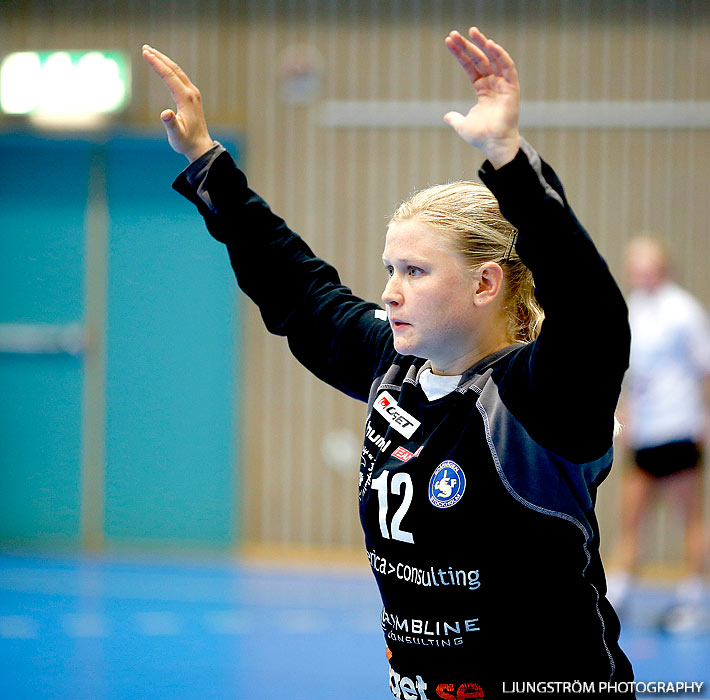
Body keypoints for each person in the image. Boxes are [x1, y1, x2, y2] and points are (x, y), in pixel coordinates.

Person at [143, 26, 635, 698]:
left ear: (485, 284)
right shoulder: (394, 369)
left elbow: (592, 313)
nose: (391, 290)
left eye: (415, 270)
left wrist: (508, 161)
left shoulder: (541, 400)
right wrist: (206, 162)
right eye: (390, 269)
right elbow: (300, 291)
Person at [607, 236, 709, 625]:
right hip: (646, 433)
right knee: (631, 513)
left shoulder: (683, 311)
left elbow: (705, 371)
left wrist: (704, 422)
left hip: (679, 428)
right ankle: (621, 588)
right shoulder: (633, 311)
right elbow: (633, 378)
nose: (640, 274)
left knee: (690, 515)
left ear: (661, 268)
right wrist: (626, 421)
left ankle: (695, 595)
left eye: (647, 266)